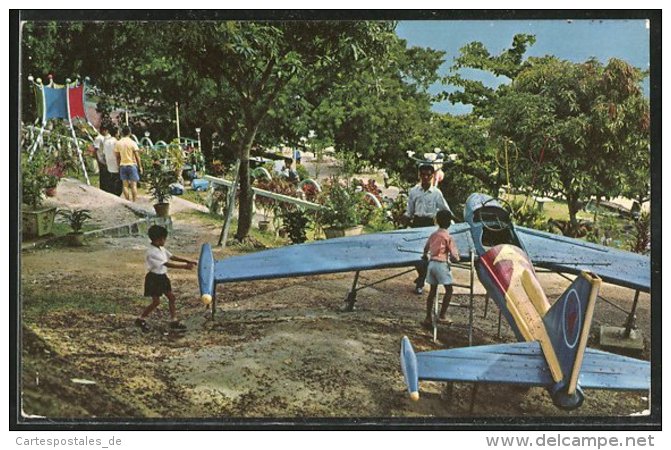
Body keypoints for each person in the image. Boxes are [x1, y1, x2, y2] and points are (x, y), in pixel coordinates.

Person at [134, 225, 198, 332]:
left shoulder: (161, 248)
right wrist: (184, 267)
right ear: (158, 239)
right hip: (154, 279)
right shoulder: (152, 252)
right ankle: (141, 318)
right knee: (156, 302)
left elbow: (172, 257)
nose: (165, 241)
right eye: (164, 239)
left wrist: (187, 260)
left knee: (171, 297)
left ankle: (174, 320)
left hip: (162, 277)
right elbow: (167, 264)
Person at [404, 164, 453, 294]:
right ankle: (422, 277)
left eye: (428, 175)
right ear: (419, 175)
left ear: (432, 176)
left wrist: (448, 225)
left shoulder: (436, 193)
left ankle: (421, 280)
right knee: (416, 253)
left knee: (428, 253)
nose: (425, 177)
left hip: (430, 225)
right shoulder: (414, 191)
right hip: (417, 223)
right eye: (423, 175)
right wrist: (404, 224)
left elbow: (446, 210)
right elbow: (409, 211)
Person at [421, 209, 461, 329]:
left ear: (437, 221)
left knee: (432, 291)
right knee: (449, 290)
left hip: (432, 264)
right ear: (449, 223)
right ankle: (442, 315)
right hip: (441, 264)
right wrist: (457, 258)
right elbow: (454, 255)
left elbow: (426, 248)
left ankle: (428, 317)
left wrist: (424, 255)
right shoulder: (448, 237)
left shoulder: (433, 235)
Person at [114, 125, 143, 202]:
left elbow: (117, 157)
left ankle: (127, 201)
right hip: (132, 165)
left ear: (122, 133)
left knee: (125, 185)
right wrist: (140, 167)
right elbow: (137, 156)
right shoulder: (133, 143)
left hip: (122, 165)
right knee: (133, 185)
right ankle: (134, 201)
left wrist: (118, 166)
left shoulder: (118, 143)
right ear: (130, 133)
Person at [102, 125, 121, 196]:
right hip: (116, 163)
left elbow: (104, 153)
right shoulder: (116, 142)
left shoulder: (106, 141)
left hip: (109, 163)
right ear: (116, 133)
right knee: (117, 182)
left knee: (111, 180)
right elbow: (118, 154)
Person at [93, 125, 109, 192]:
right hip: (101, 159)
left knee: (106, 174)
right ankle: (102, 188)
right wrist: (98, 160)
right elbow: (95, 150)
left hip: (105, 159)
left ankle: (106, 188)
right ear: (104, 130)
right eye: (106, 131)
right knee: (103, 174)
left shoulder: (105, 138)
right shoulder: (99, 138)